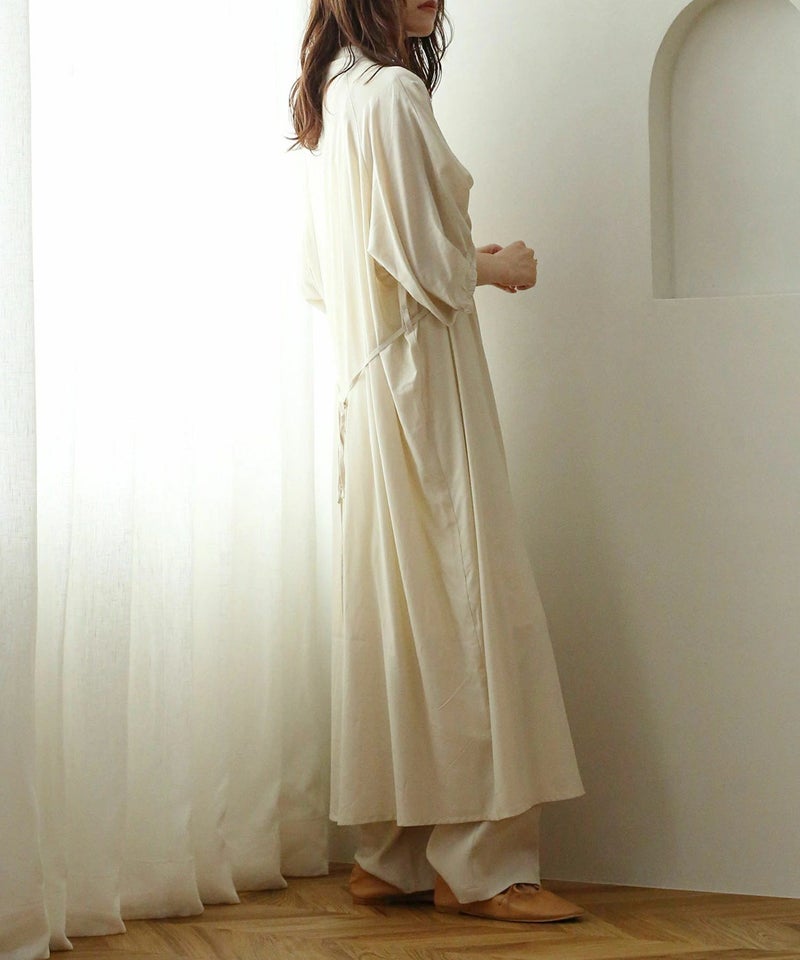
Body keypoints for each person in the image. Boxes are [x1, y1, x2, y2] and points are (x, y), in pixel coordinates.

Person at [291, 0, 585, 923]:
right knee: (466, 604)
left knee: (397, 609)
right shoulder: (392, 94)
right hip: (425, 379)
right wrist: (497, 266)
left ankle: (393, 853)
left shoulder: (337, 99)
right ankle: (483, 866)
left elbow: (325, 273)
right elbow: (427, 261)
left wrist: (453, 260)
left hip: (368, 384)